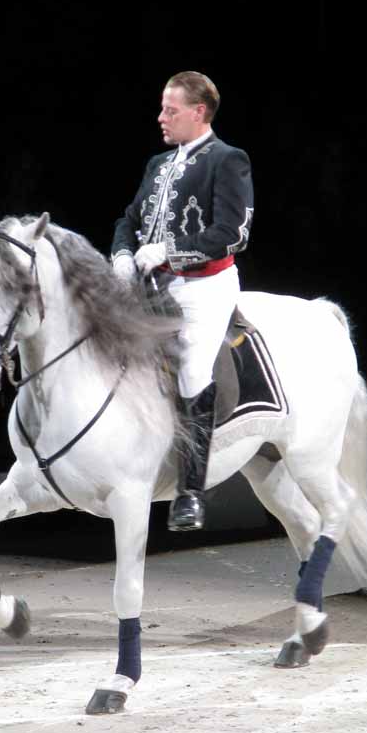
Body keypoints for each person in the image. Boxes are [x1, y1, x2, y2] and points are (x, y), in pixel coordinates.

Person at [111, 71, 254, 531]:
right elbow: (129, 218)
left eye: (170, 110)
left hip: (205, 286)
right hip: (152, 284)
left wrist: (170, 251)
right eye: (162, 108)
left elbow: (233, 234)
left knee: (193, 365)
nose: (161, 118)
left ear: (199, 112)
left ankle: (191, 492)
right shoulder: (157, 164)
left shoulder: (228, 160)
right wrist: (122, 253)